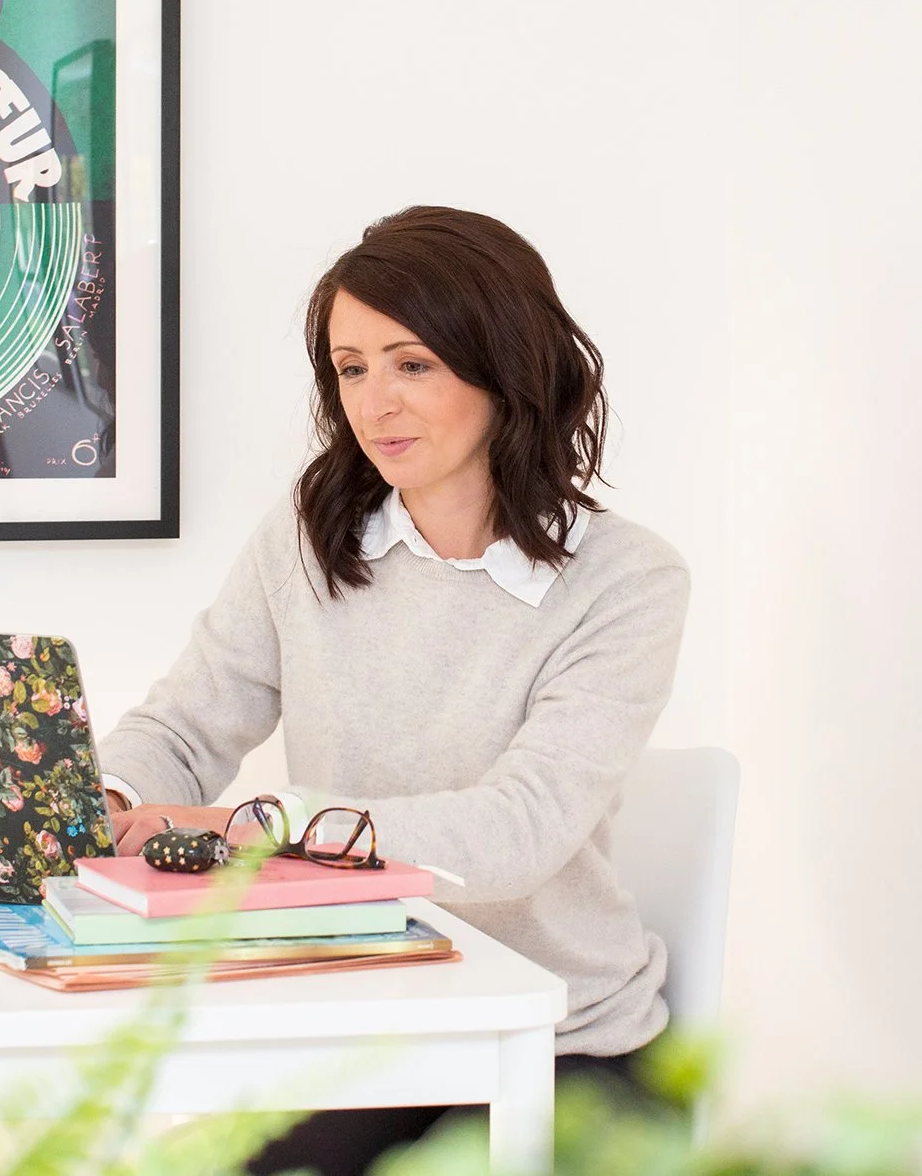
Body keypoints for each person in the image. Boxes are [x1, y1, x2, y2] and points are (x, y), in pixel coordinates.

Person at [95, 205, 691, 1176]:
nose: (376, 404)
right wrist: (104, 801)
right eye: (351, 367)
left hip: (561, 1039)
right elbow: (189, 721)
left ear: (505, 364)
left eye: (413, 364)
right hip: (370, 1021)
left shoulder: (627, 581)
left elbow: (518, 834)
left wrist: (257, 827)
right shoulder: (312, 534)